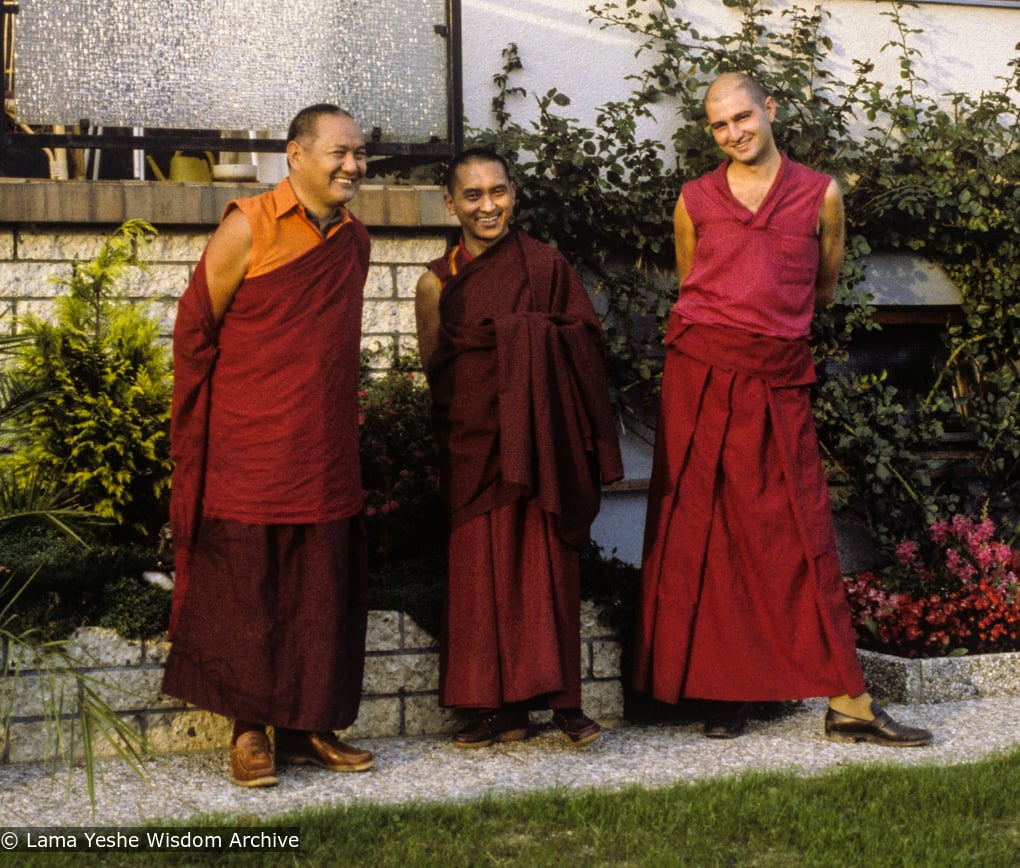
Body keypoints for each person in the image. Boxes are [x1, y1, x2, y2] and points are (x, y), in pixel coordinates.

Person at [634, 73, 932, 746]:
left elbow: (822, 287)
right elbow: (694, 284)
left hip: (778, 378)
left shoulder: (820, 194)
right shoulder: (694, 200)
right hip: (701, 375)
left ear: (771, 110)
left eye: (743, 117)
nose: (734, 132)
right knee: (707, 531)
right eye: (719, 125)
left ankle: (848, 704)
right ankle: (724, 690)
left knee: (795, 534)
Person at [162, 104, 376, 787]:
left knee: (320, 587)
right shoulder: (246, 226)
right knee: (247, 589)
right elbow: (196, 330)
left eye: (359, 154)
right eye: (339, 152)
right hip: (250, 440)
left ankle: (312, 724)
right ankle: (249, 730)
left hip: (324, 445)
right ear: (295, 155)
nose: (353, 164)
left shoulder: (356, 240)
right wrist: (207, 425)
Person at [415, 148, 625, 748]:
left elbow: (586, 341)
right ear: (450, 202)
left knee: (546, 571)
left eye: (498, 192)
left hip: (542, 446)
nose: (489, 206)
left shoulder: (547, 265)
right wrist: (508, 364)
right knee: (477, 575)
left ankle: (563, 704)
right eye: (473, 196)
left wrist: (524, 344)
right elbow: (441, 371)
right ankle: (493, 709)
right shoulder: (435, 284)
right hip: (476, 443)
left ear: (514, 193)